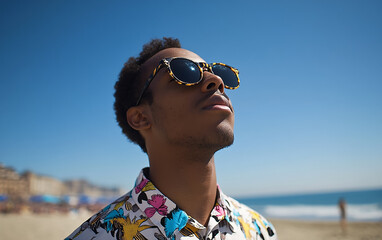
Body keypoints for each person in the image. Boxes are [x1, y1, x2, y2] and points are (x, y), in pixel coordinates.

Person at [66, 37, 277, 240]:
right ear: (140, 117)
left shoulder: (259, 230)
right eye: (185, 72)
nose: (217, 81)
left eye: (217, 72)